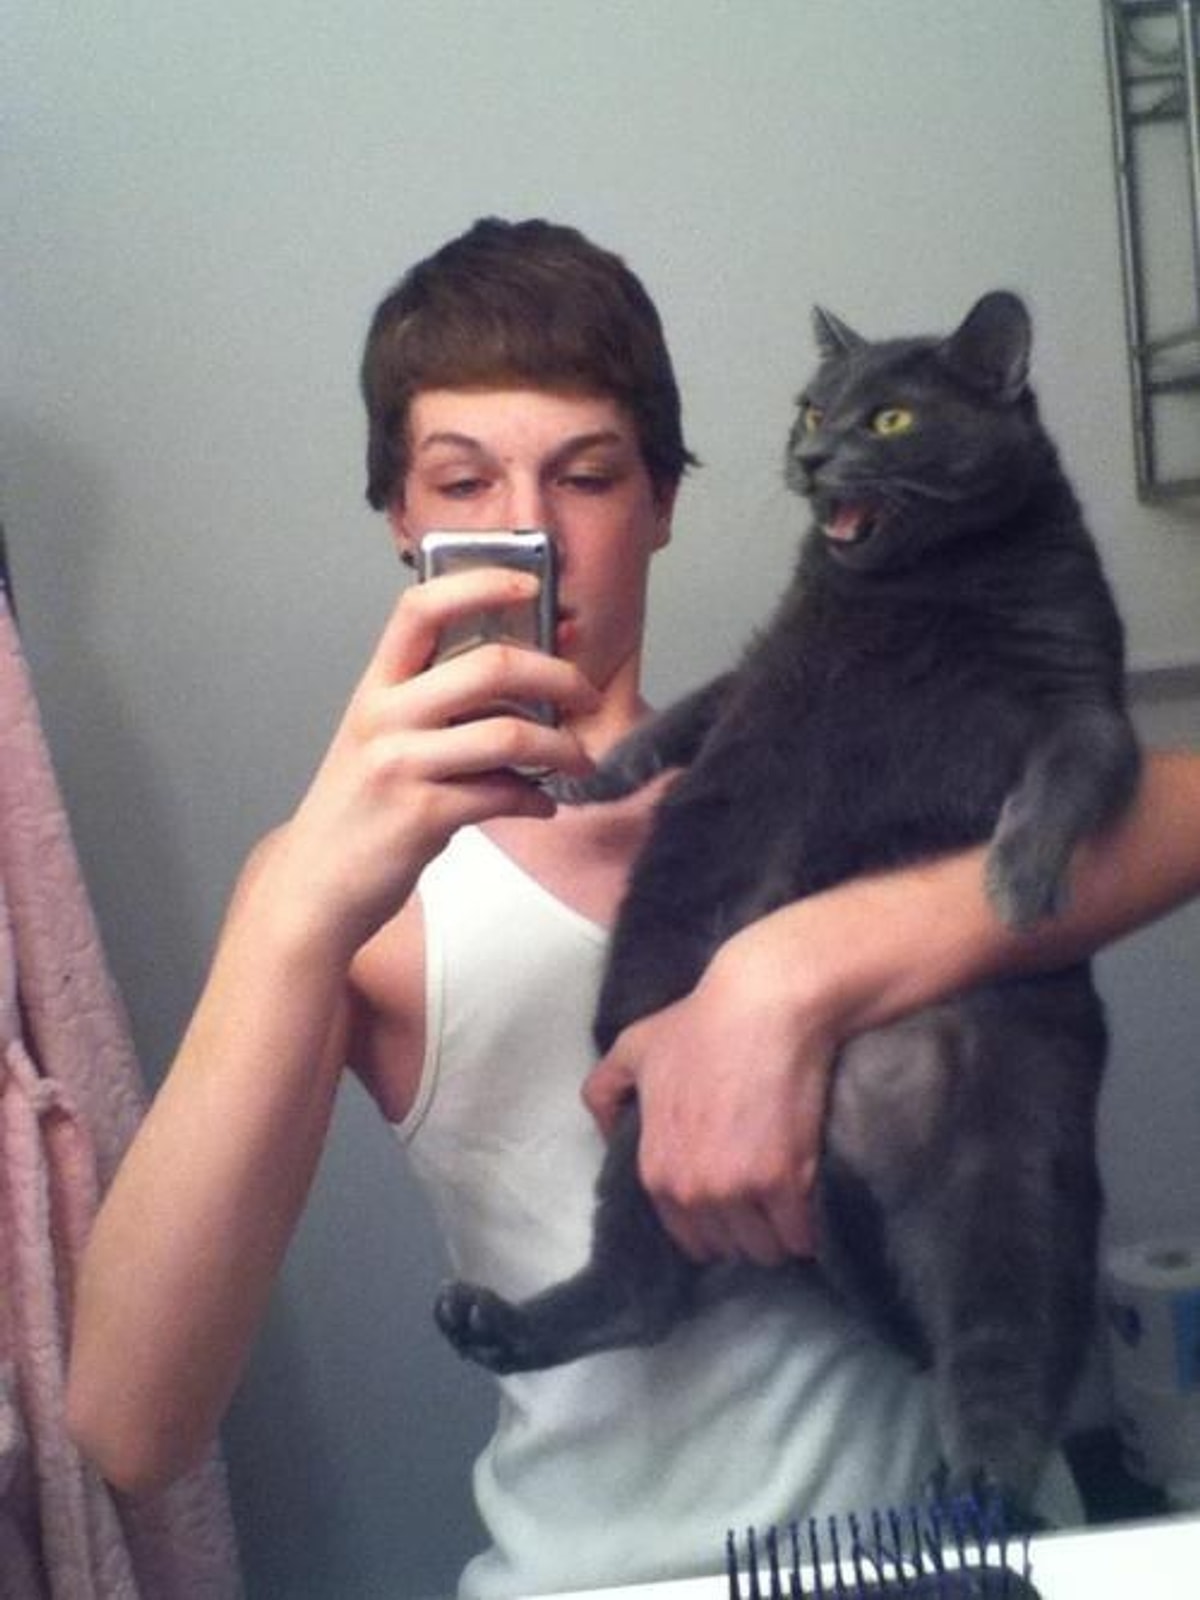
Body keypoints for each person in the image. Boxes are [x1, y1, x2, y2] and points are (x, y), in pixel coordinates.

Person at [67, 218, 1200, 1597]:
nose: (530, 531)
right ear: (403, 522)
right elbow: (129, 1423)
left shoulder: (848, 734)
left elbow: (1159, 799)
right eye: (464, 481)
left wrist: (792, 975)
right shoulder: (340, 896)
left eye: (589, 475)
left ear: (662, 499)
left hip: (963, 1550)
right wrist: (298, 901)